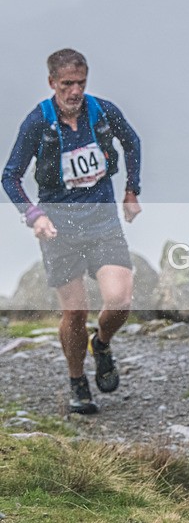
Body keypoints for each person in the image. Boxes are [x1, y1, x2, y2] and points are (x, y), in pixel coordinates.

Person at [2, 49, 141, 415]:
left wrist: (131, 191)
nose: (75, 91)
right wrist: (34, 215)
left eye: (80, 83)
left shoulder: (103, 112)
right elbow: (9, 177)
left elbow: (133, 143)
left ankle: (103, 342)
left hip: (102, 222)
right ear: (52, 83)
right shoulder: (38, 123)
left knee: (120, 299)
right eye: (67, 84)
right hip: (59, 230)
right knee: (75, 312)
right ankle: (78, 381)